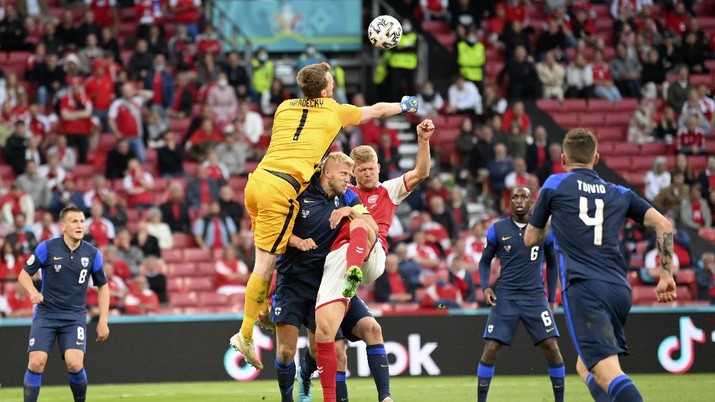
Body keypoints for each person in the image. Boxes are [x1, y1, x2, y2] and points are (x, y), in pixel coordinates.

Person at [229, 61, 419, 369]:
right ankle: (245, 334)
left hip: (257, 181)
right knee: (263, 267)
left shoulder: (284, 107)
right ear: (324, 90)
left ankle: (260, 308)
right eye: (330, 83)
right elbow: (376, 111)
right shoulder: (334, 111)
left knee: (262, 256)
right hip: (281, 189)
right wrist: (404, 105)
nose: (334, 87)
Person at [525, 128, 677, 402]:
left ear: (562, 159)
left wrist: (553, 222)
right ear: (596, 158)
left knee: (608, 373)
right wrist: (666, 275)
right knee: (586, 367)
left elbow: (531, 238)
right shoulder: (618, 191)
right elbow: (664, 225)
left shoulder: (555, 184)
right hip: (619, 289)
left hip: (585, 288)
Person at [270, 152, 378, 402]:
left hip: (324, 282)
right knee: (286, 351)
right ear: (327, 173)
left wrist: (350, 211)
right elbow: (275, 231)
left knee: (319, 349)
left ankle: (305, 378)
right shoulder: (300, 194)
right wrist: (297, 241)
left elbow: (370, 227)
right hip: (292, 280)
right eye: (344, 174)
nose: (348, 180)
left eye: (350, 175)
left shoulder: (347, 196)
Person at [477, 186, 564, 402]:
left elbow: (552, 265)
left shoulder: (544, 229)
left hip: (535, 296)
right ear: (510, 203)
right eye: (515, 197)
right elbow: (484, 261)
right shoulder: (497, 229)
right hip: (505, 296)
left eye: (523, 196)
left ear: (531, 202)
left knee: (552, 347)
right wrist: (485, 287)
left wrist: (552, 298)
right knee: (491, 348)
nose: (518, 200)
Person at [18, 206, 110, 402]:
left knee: (75, 364)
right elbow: (24, 275)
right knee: (36, 362)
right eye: (74, 221)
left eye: (82, 221)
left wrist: (103, 320)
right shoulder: (47, 247)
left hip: (74, 317)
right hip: (46, 315)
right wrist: (33, 293)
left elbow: (103, 286)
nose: (79, 225)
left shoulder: (92, 253)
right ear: (63, 226)